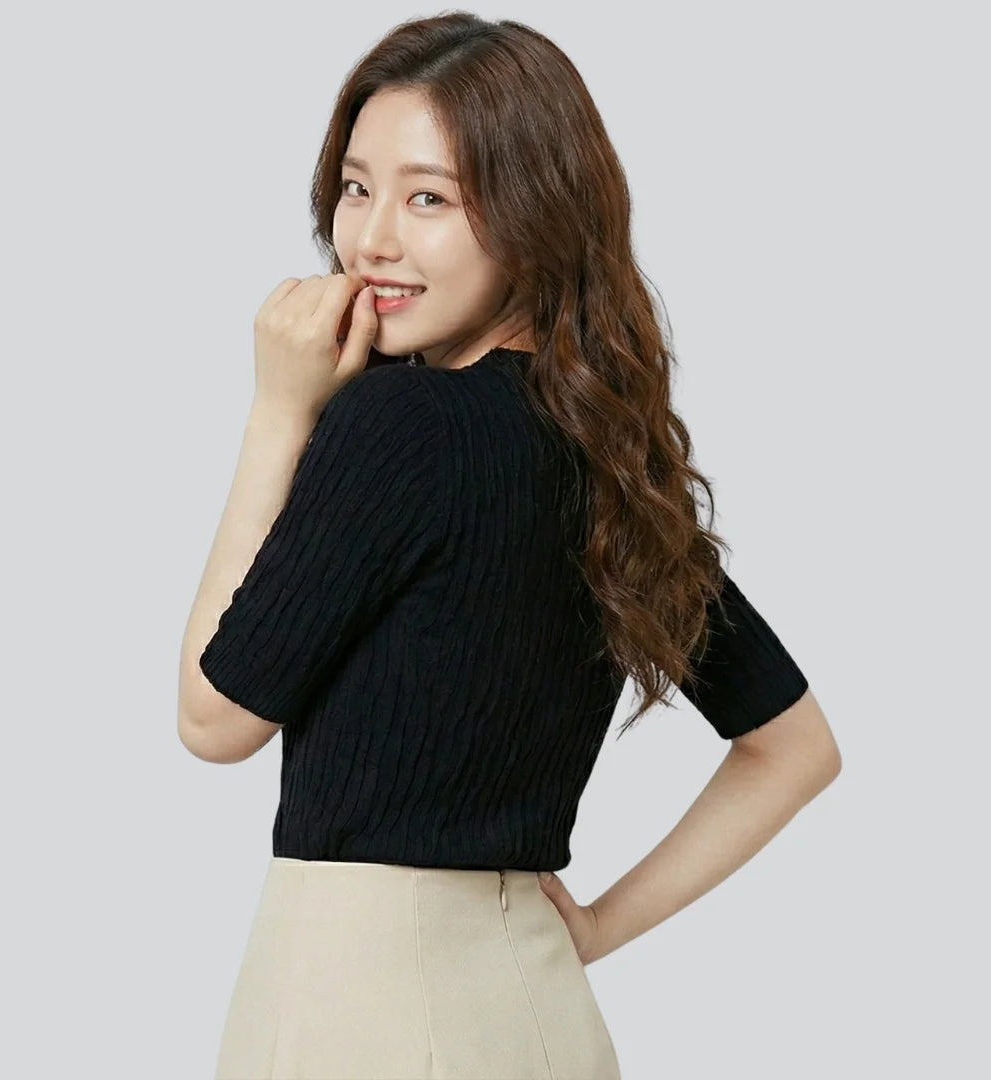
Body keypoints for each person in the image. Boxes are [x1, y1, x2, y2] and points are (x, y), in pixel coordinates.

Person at [177, 12, 842, 1080]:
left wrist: (278, 413)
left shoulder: (399, 425)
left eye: (429, 198)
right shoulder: (608, 459)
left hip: (359, 1014)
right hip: (539, 1012)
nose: (371, 239)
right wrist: (596, 930)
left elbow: (215, 719)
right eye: (355, 188)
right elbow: (794, 747)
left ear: (535, 213)